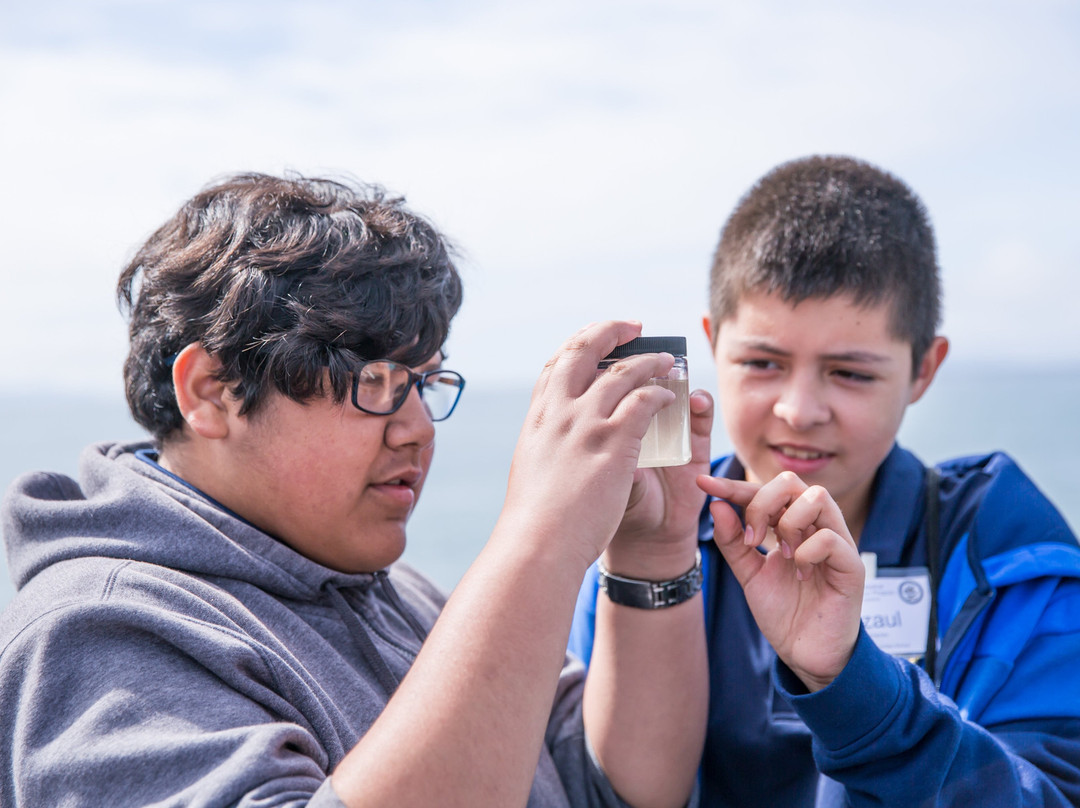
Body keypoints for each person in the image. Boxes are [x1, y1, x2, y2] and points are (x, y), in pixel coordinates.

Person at [0, 172, 712, 807]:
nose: (417, 429)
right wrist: (540, 537)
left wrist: (652, 552)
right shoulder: (96, 635)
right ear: (211, 392)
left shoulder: (396, 591)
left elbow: (613, 787)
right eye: (374, 382)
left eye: (424, 384)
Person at [570, 155, 1080, 806]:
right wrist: (649, 567)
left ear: (924, 369)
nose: (799, 410)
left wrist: (853, 680)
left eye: (850, 373)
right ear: (713, 343)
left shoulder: (1006, 553)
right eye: (763, 362)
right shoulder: (643, 538)